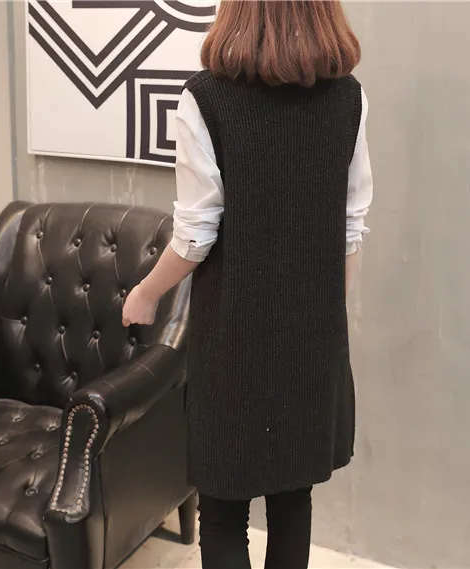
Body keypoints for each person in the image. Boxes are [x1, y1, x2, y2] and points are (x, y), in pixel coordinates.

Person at [122, 1, 372, 567]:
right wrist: (325, 318)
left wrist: (146, 293)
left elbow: (195, 235)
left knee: (223, 506)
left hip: (233, 341)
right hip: (312, 340)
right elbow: (350, 228)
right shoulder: (349, 98)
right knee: (293, 495)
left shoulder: (206, 99)